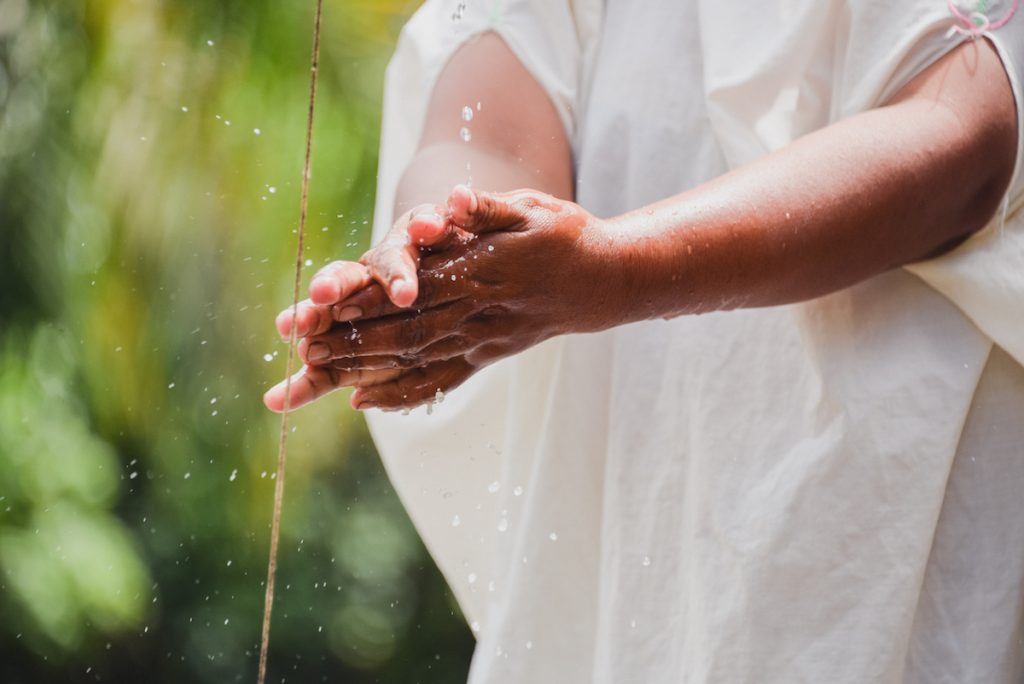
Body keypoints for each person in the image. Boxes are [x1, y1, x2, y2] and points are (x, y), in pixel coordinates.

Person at [266, 0, 1024, 681]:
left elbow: (963, 135)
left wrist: (616, 271)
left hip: (878, 556)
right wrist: (438, 258)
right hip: (631, 584)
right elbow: (488, 129)